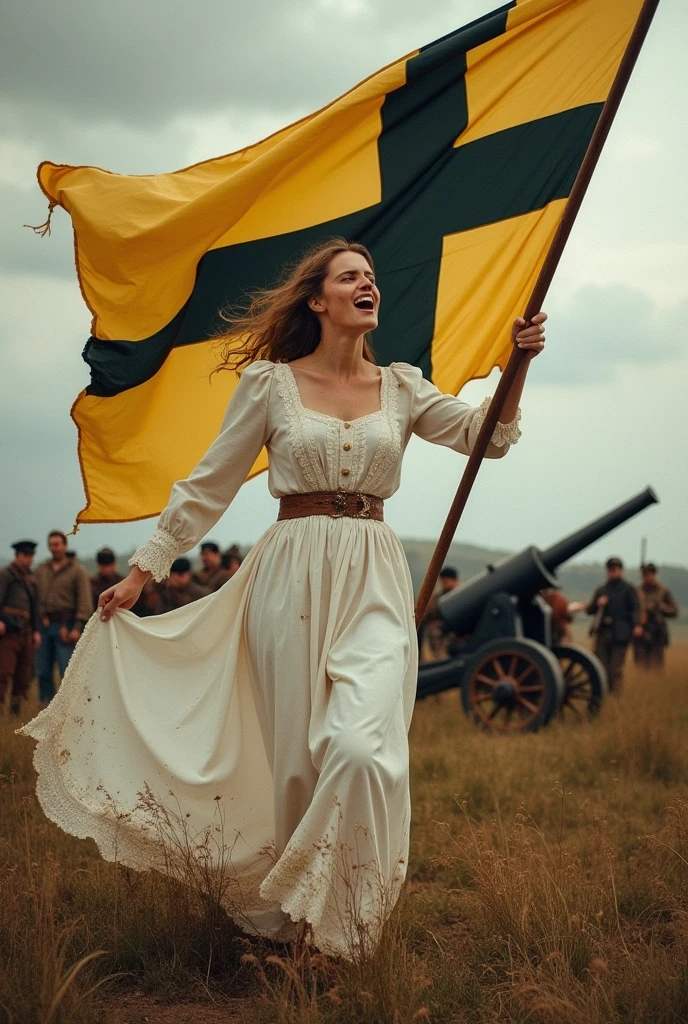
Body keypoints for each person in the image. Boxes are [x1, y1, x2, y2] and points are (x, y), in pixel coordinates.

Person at [19, 239, 546, 959]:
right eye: (351, 277)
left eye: (372, 276)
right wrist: (145, 569)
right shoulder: (270, 386)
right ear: (318, 300)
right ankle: (306, 934)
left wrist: (520, 365)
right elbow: (210, 483)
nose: (369, 285)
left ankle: (350, 924)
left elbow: (486, 438)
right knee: (298, 758)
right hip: (289, 574)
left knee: (361, 749)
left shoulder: (402, 386)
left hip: (373, 575)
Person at [34, 530, 93, 704]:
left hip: (65, 626)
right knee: (43, 671)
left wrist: (77, 627)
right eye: (51, 544)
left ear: (65, 546)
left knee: (66, 671)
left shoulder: (77, 571)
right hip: (44, 625)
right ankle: (45, 708)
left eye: (58, 544)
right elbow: (36, 598)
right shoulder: (41, 571)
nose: (54, 548)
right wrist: (39, 621)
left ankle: (69, 708)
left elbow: (85, 601)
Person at [586, 557, 642, 694]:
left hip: (620, 634)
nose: (613, 572)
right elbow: (590, 610)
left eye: (615, 569)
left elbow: (636, 608)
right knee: (601, 668)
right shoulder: (602, 589)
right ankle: (603, 694)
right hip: (603, 633)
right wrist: (598, 604)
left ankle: (615, 695)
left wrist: (636, 625)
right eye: (610, 570)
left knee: (615, 669)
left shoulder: (629, 589)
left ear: (621, 570)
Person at [0, 541, 41, 716]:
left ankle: (15, 711)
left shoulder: (31, 579)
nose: (28, 559)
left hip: (25, 630)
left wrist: (36, 630)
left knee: (23, 675)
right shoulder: (6, 575)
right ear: (17, 556)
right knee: (4, 671)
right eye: (25, 555)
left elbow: (35, 608)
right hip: (8, 630)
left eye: (30, 555)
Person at [633, 563, 678, 669]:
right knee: (640, 665)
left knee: (656, 665)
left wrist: (662, 608)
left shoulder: (663, 591)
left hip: (657, 632)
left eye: (650, 574)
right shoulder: (638, 591)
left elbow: (674, 611)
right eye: (645, 575)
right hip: (642, 631)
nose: (648, 577)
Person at [420, 566, 460, 661]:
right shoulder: (437, 598)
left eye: (446, 581)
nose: (444, 584)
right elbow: (427, 614)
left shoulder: (460, 595)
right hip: (438, 634)